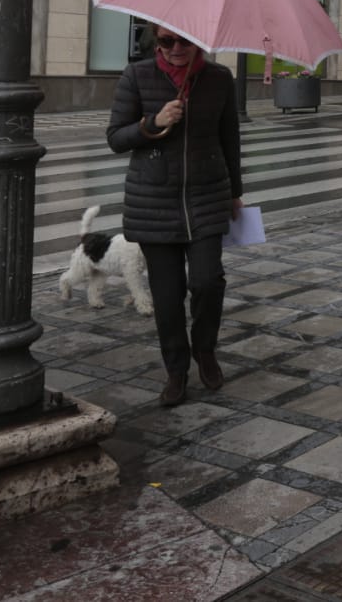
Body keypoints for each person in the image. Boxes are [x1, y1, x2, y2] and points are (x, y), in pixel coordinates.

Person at [106, 27, 243, 407]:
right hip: (154, 201)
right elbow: (116, 137)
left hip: (207, 195)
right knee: (167, 297)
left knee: (207, 282)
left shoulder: (218, 78)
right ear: (156, 41)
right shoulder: (137, 76)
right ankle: (176, 370)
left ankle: (205, 350)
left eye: (184, 41)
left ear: (198, 41)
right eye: (167, 41)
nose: (176, 49)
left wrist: (236, 193)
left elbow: (229, 136)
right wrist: (153, 123)